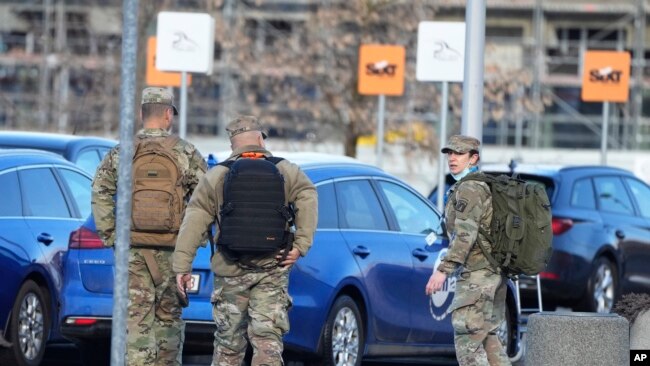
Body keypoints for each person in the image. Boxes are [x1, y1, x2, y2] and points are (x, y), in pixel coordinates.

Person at [173, 115, 318, 366]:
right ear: (260, 139)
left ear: (233, 145)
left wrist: (182, 267)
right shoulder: (286, 170)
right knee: (268, 342)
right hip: (273, 267)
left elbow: (194, 220)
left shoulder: (217, 175)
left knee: (229, 343)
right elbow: (308, 197)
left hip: (230, 268)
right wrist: (301, 245)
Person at [92, 87, 207, 366]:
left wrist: (111, 236)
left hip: (132, 251)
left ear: (142, 114)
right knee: (169, 319)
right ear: (168, 115)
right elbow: (207, 198)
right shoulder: (186, 152)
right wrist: (193, 241)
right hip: (174, 253)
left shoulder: (123, 152)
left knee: (137, 321)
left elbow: (100, 190)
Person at [425, 135, 510, 366]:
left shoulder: (470, 189)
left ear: (474, 158)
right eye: (450, 153)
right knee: (487, 340)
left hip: (477, 275)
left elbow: (465, 235)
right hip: (493, 273)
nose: (452, 158)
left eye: (459, 154)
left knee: (468, 344)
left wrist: (443, 270)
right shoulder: (480, 186)